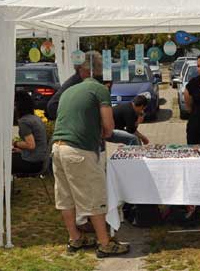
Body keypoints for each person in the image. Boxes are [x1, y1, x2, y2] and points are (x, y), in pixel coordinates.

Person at [51, 51, 129, 258]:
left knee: (65, 198)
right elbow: (109, 127)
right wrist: (101, 134)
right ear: (99, 71)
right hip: (79, 150)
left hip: (58, 148)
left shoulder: (69, 90)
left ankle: (75, 238)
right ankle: (104, 243)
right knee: (94, 196)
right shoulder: (99, 90)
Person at [12, 91, 47, 176]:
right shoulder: (35, 118)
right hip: (41, 161)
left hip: (32, 163)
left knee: (2, 160)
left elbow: (31, 145)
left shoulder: (24, 121)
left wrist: (15, 143)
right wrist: (21, 151)